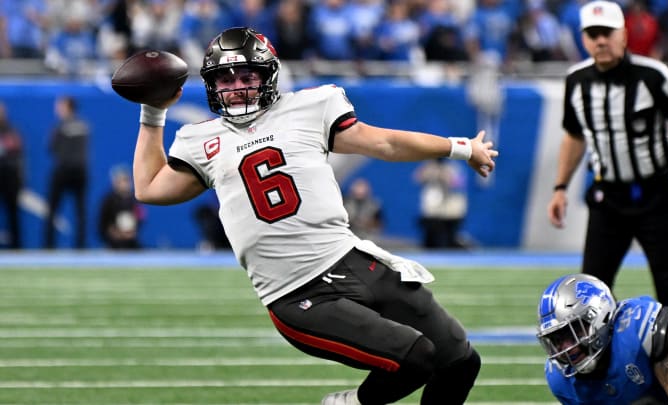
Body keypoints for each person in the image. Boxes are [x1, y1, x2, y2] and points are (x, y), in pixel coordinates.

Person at [130, 27, 497, 405]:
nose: (236, 87)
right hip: (297, 294)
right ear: (211, 84)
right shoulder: (201, 139)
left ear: (268, 75)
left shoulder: (310, 107)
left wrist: (459, 147)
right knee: (415, 357)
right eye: (226, 78)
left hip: (351, 260)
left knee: (459, 360)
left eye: (247, 76)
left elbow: (383, 142)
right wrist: (153, 111)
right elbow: (150, 188)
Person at [546, 0, 668, 324]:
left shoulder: (653, 75)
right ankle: (601, 367)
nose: (600, 40)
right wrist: (560, 187)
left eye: (607, 32)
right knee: (592, 288)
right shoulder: (577, 81)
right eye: (593, 34)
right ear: (584, 39)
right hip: (608, 197)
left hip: (656, 192)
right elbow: (574, 136)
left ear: (624, 35)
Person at [536, 273, 668, 404]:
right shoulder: (561, 379)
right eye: (557, 339)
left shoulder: (642, 331)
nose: (567, 348)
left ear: (601, 316)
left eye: (574, 331)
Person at [45, 96, 90, 249]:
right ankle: (81, 246)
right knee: (80, 210)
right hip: (80, 171)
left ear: (67, 107)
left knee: (53, 209)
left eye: (60, 105)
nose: (57, 109)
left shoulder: (60, 127)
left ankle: (49, 246)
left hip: (63, 171)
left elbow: (52, 148)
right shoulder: (84, 126)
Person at [414, 158, 468, 249]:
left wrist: (445, 176)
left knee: (448, 241)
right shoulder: (428, 166)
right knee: (430, 241)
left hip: (449, 213)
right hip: (432, 212)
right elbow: (417, 178)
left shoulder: (453, 167)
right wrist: (430, 172)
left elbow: (459, 184)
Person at [98, 165, 144, 249]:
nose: (124, 184)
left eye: (126, 181)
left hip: (131, 242)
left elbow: (141, 218)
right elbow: (102, 223)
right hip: (113, 242)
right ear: (115, 182)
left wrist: (132, 232)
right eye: (121, 181)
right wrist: (114, 232)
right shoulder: (108, 201)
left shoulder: (135, 200)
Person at [0, 102, 24, 249]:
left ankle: (16, 246)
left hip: (9, 175)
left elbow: (19, 154)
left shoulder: (12, 131)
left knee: (13, 212)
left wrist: (19, 176)